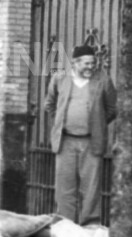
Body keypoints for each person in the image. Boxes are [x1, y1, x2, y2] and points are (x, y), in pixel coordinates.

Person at [44, 45, 117, 226]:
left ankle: (90, 223)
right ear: (74, 63)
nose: (90, 67)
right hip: (65, 140)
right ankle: (65, 223)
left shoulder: (103, 80)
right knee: (65, 186)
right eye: (86, 63)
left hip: (91, 140)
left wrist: (97, 124)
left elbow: (112, 109)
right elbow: (50, 104)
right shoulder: (59, 79)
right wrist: (61, 122)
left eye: (93, 63)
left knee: (91, 186)